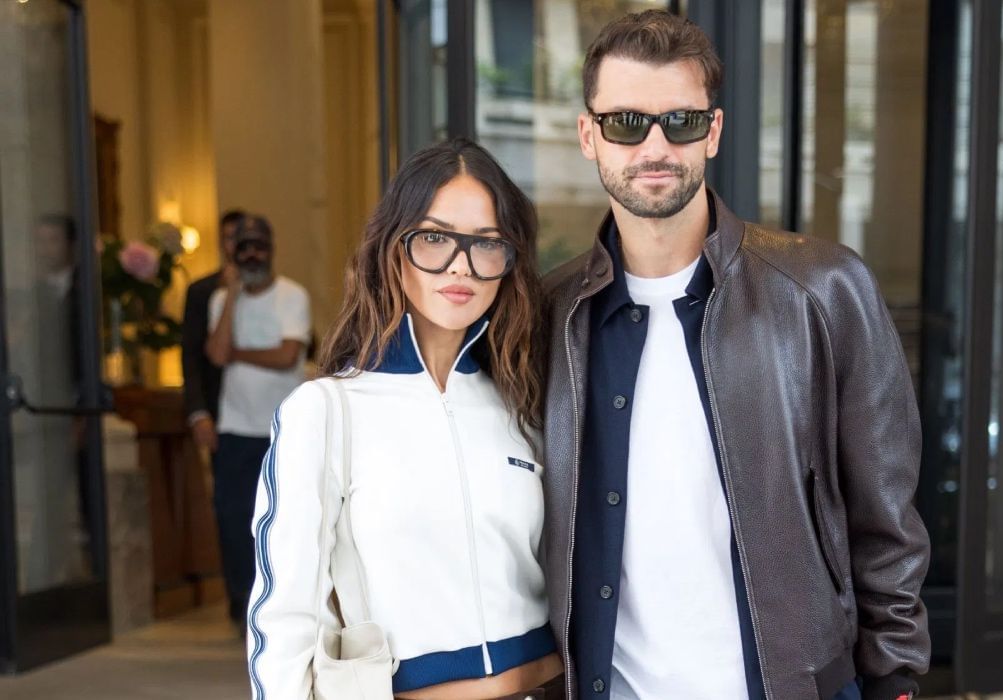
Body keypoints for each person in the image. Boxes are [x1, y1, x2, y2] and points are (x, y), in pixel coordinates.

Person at [540, 11, 930, 700]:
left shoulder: (823, 289)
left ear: (713, 131)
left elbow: (886, 516)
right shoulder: (551, 316)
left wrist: (894, 675)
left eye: (681, 122)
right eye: (626, 123)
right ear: (588, 134)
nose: (655, 146)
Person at [246, 139, 563, 699]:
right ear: (394, 249)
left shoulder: (524, 402)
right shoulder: (325, 412)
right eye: (435, 238)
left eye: (487, 243)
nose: (461, 265)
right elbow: (285, 614)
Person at [205, 214, 311, 633]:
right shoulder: (220, 300)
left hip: (283, 429)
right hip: (234, 428)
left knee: (283, 520)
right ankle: (242, 602)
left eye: (258, 247)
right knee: (233, 520)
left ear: (271, 249)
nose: (251, 255)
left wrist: (238, 353)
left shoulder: (292, 295)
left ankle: (281, 604)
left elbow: (287, 355)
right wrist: (233, 294)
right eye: (243, 247)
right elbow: (216, 354)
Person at [183, 209, 245, 458]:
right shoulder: (202, 291)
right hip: (219, 408)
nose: (236, 245)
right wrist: (198, 412)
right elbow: (191, 355)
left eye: (242, 238)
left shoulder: (277, 291)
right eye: (230, 238)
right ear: (221, 243)